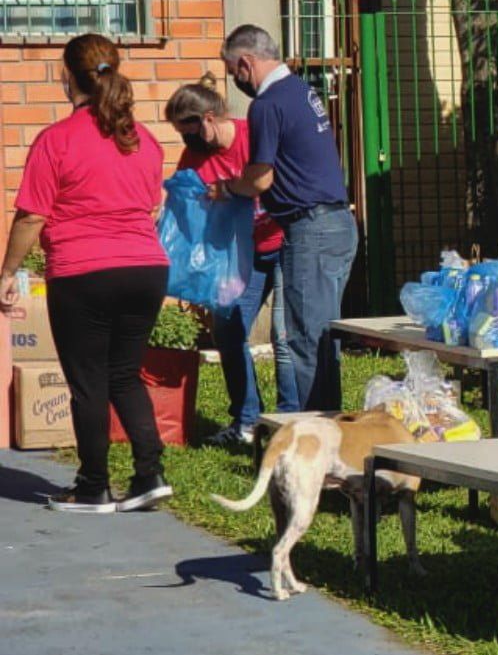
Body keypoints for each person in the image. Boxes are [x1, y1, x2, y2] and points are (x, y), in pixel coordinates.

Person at [0, 35, 173, 514]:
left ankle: (93, 485)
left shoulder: (56, 140)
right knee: (125, 374)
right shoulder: (143, 139)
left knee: (89, 381)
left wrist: (8, 272)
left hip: (84, 272)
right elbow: (150, 203)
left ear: (66, 77)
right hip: (146, 268)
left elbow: (31, 217)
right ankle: (149, 474)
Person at [214, 25, 355, 412]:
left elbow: (260, 179)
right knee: (321, 336)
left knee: (305, 339)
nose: (235, 80)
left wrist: (226, 189)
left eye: (233, 72)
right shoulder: (302, 90)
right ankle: (328, 420)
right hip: (337, 225)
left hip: (311, 229)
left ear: (246, 63)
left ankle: (316, 427)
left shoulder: (267, 103)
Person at [166, 82, 295, 446]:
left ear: (208, 119)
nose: (186, 140)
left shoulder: (253, 137)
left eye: (188, 130)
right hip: (241, 254)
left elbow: (274, 179)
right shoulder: (194, 158)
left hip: (283, 241)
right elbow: (190, 210)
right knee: (227, 328)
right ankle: (247, 421)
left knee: (284, 335)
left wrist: (229, 190)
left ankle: (290, 420)